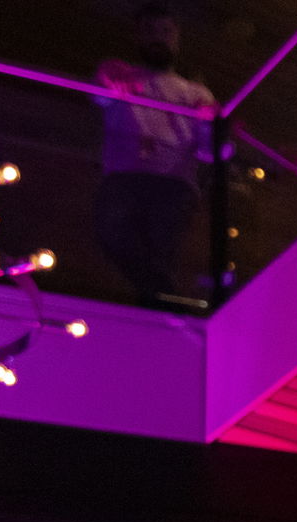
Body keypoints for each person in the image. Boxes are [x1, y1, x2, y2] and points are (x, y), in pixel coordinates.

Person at [94, 4, 214, 305]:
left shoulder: (195, 92)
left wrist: (213, 125)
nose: (158, 38)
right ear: (138, 37)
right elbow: (100, 92)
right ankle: (168, 302)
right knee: (115, 236)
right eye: (150, 31)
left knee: (159, 252)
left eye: (166, 31)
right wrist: (115, 86)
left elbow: (209, 151)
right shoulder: (117, 72)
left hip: (173, 183)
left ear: (177, 38)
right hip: (125, 177)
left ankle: (159, 304)